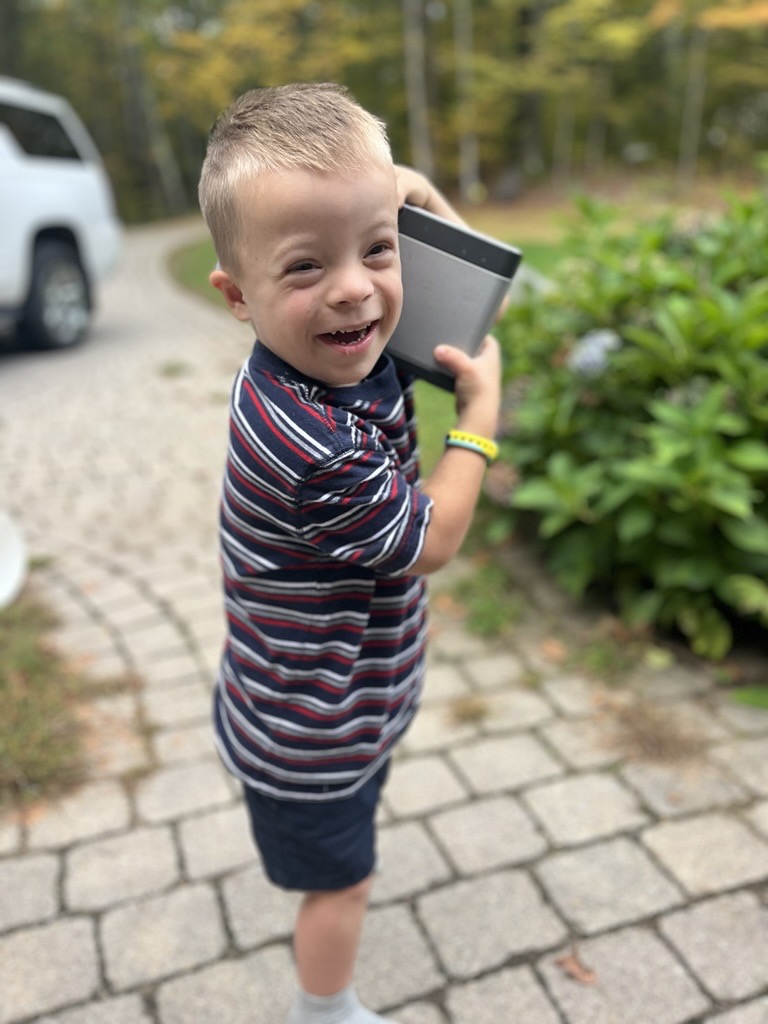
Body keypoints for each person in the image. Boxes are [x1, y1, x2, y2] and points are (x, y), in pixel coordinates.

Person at [198, 82, 502, 1024]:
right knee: (343, 885)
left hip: (344, 695)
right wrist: (479, 423)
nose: (355, 288)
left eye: (378, 249)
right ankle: (322, 1010)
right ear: (237, 297)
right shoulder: (305, 444)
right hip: (309, 734)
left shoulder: (339, 348)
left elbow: (473, 288)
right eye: (306, 266)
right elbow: (432, 540)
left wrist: (408, 192)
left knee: (347, 853)